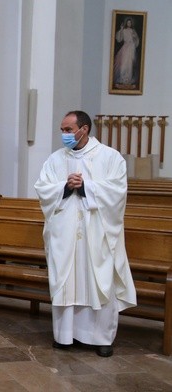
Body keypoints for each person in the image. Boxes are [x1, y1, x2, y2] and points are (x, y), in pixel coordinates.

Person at [34, 110, 137, 358]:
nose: (64, 135)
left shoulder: (111, 158)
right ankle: (64, 336)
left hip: (97, 234)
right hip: (65, 235)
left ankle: (100, 338)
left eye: (68, 130)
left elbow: (117, 193)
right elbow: (43, 189)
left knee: (97, 279)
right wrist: (64, 186)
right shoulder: (55, 160)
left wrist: (86, 186)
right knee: (66, 280)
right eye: (62, 129)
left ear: (84, 129)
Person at [113, 17, 140, 87]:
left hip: (131, 48)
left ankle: (128, 79)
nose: (129, 24)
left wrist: (134, 37)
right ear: (126, 23)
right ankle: (122, 78)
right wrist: (121, 29)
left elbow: (136, 41)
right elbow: (119, 39)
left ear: (131, 24)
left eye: (130, 23)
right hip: (125, 47)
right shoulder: (123, 30)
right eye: (128, 22)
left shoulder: (133, 31)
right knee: (123, 63)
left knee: (129, 63)